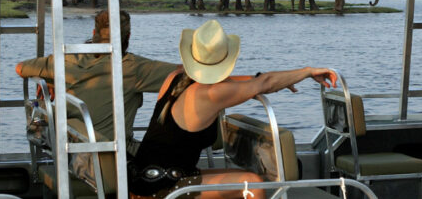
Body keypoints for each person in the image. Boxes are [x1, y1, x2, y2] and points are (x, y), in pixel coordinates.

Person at [128, 19, 338, 199]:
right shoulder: (209, 94)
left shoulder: (175, 78)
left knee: (238, 174)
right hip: (162, 190)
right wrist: (308, 71)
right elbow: (263, 83)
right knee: (252, 184)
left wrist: (276, 81)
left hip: (145, 180)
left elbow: (248, 81)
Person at [16, 10, 179, 155]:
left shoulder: (68, 59)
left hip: (72, 156)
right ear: (128, 37)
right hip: (113, 156)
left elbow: (20, 68)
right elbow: (187, 74)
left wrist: (48, 78)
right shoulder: (132, 68)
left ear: (94, 32)